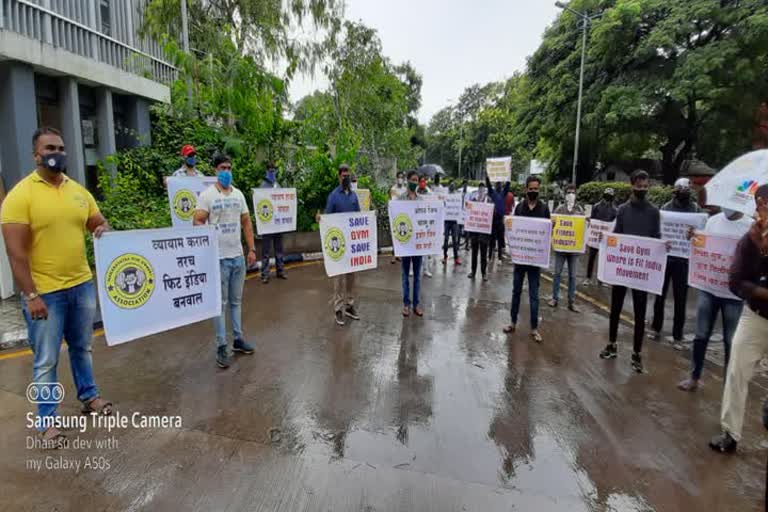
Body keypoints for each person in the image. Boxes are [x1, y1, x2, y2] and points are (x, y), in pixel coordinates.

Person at [1, 127, 113, 443]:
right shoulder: (20, 196)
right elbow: (16, 252)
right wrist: (31, 294)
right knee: (46, 359)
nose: (57, 153)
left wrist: (103, 227)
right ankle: (47, 421)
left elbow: (97, 222)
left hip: (81, 286)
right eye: (50, 148)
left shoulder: (79, 191)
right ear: (36, 154)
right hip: (44, 294)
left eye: (61, 147)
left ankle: (89, 398)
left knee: (83, 348)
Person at [709, 184, 768, 453]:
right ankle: (730, 433)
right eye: (758, 204)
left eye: (764, 203)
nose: (760, 209)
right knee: (737, 373)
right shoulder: (749, 240)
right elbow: (735, 281)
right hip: (754, 317)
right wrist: (759, 292)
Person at [678, 208, 754, 391]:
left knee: (731, 341)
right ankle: (694, 377)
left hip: (733, 295)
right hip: (708, 289)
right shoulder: (712, 222)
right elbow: (702, 245)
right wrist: (692, 237)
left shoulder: (750, 226)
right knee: (701, 335)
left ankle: (730, 385)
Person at [194, 153, 257, 369]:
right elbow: (197, 221)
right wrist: (208, 234)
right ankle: (222, 345)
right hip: (218, 258)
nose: (226, 172)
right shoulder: (207, 196)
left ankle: (238, 339)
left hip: (237, 256)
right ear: (215, 170)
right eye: (222, 168)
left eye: (229, 168)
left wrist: (251, 249)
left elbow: (246, 223)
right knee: (219, 305)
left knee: (236, 301)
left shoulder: (239, 195)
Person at [599, 170, 662, 373]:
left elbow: (656, 238)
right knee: (615, 308)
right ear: (632, 185)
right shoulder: (623, 210)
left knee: (640, 312)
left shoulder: (654, 212)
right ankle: (612, 344)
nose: (642, 189)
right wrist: (607, 239)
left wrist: (663, 247)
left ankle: (636, 353)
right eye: (639, 186)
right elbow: (617, 235)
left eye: (645, 186)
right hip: (622, 270)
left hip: (640, 271)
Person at [649, 178, 703, 348]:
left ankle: (677, 336)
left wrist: (695, 234)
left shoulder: (695, 210)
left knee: (681, 299)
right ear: (675, 191)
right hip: (666, 257)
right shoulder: (665, 208)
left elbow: (701, 234)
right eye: (680, 189)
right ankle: (656, 328)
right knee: (660, 294)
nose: (683, 193)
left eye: (686, 190)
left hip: (684, 260)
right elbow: (658, 231)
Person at [504, 176, 550, 343]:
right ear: (525, 190)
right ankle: (512, 322)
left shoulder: (544, 209)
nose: (533, 191)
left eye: (536, 189)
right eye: (531, 189)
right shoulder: (519, 208)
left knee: (534, 294)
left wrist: (554, 227)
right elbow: (514, 231)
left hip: (535, 261)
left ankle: (534, 328)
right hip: (520, 260)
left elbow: (546, 233)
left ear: (539, 189)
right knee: (516, 291)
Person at [325, 163, 361, 326]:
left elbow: (359, 217)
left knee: (351, 276)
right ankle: (338, 309)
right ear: (339, 176)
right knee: (338, 277)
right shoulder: (333, 196)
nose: (346, 178)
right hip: (339, 244)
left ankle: (350, 305)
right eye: (344, 176)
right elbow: (327, 218)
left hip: (352, 243)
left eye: (348, 175)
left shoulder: (354, 196)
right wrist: (321, 220)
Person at [549, 184, 585, 312]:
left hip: (574, 250)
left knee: (572, 276)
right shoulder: (559, 209)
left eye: (573, 192)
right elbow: (552, 225)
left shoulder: (580, 210)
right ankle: (554, 298)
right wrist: (552, 224)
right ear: (565, 195)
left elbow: (583, 228)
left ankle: (571, 301)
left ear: (576, 194)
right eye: (569, 192)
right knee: (557, 273)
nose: (571, 195)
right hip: (561, 248)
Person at [400, 170, 425, 317]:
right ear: (408, 180)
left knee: (417, 276)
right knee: (405, 276)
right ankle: (406, 305)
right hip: (405, 244)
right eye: (413, 180)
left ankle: (416, 304)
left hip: (418, 244)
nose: (415, 182)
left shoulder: (421, 200)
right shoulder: (401, 200)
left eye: (417, 180)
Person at [259, 162, 287, 284]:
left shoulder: (278, 185)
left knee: (279, 249)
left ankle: (280, 271)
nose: (272, 172)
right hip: (266, 224)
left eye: (274, 169)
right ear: (266, 171)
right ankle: (265, 274)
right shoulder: (262, 187)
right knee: (266, 251)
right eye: (270, 169)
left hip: (278, 223)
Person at [584, 187, 618, 286]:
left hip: (605, 239)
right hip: (595, 237)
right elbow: (592, 220)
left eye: (610, 196)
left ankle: (601, 280)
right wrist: (589, 221)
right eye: (606, 196)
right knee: (591, 258)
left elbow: (614, 224)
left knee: (603, 260)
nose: (607, 198)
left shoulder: (615, 210)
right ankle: (588, 278)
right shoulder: (596, 206)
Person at [467, 181, 493, 282]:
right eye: (480, 188)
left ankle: (483, 273)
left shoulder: (489, 200)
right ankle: (473, 272)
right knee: (474, 253)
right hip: (474, 233)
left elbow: (491, 214)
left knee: (483, 254)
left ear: (485, 189)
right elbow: (470, 215)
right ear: (478, 190)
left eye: (483, 188)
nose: (481, 190)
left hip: (484, 233)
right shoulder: (474, 200)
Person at [487, 177, 511, 262]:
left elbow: (507, 186)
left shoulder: (503, 194)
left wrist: (509, 176)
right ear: (495, 185)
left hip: (500, 220)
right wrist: (487, 176)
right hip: (492, 220)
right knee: (491, 239)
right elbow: (488, 185)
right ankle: (489, 256)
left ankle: (500, 257)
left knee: (500, 240)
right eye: (497, 184)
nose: (499, 186)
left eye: (500, 184)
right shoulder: (492, 193)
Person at [417, 176, 435, 278]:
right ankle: (412, 269)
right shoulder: (415, 193)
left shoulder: (430, 194)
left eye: (424, 181)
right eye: (421, 181)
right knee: (414, 248)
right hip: (416, 223)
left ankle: (426, 269)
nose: (423, 183)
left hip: (426, 224)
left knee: (425, 248)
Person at [443, 183, 461, 266]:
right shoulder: (446, 197)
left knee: (454, 240)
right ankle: (445, 257)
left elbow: (459, 208)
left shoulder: (457, 197)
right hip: (447, 221)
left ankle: (456, 258)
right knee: (446, 239)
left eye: (453, 186)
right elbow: (443, 207)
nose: (451, 187)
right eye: (451, 186)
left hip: (454, 221)